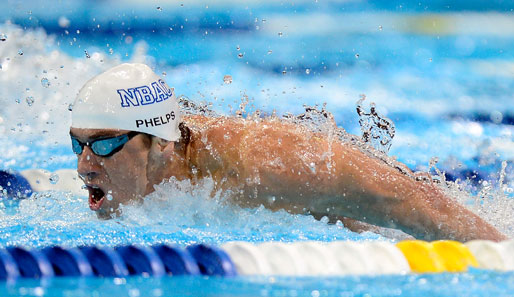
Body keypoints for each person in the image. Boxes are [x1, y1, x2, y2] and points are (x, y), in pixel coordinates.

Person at [69, 63, 506, 242]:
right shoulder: (153, 162)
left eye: (105, 145)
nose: (84, 165)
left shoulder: (265, 165)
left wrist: (500, 255)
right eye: (78, 144)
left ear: (159, 143)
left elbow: (413, 199)